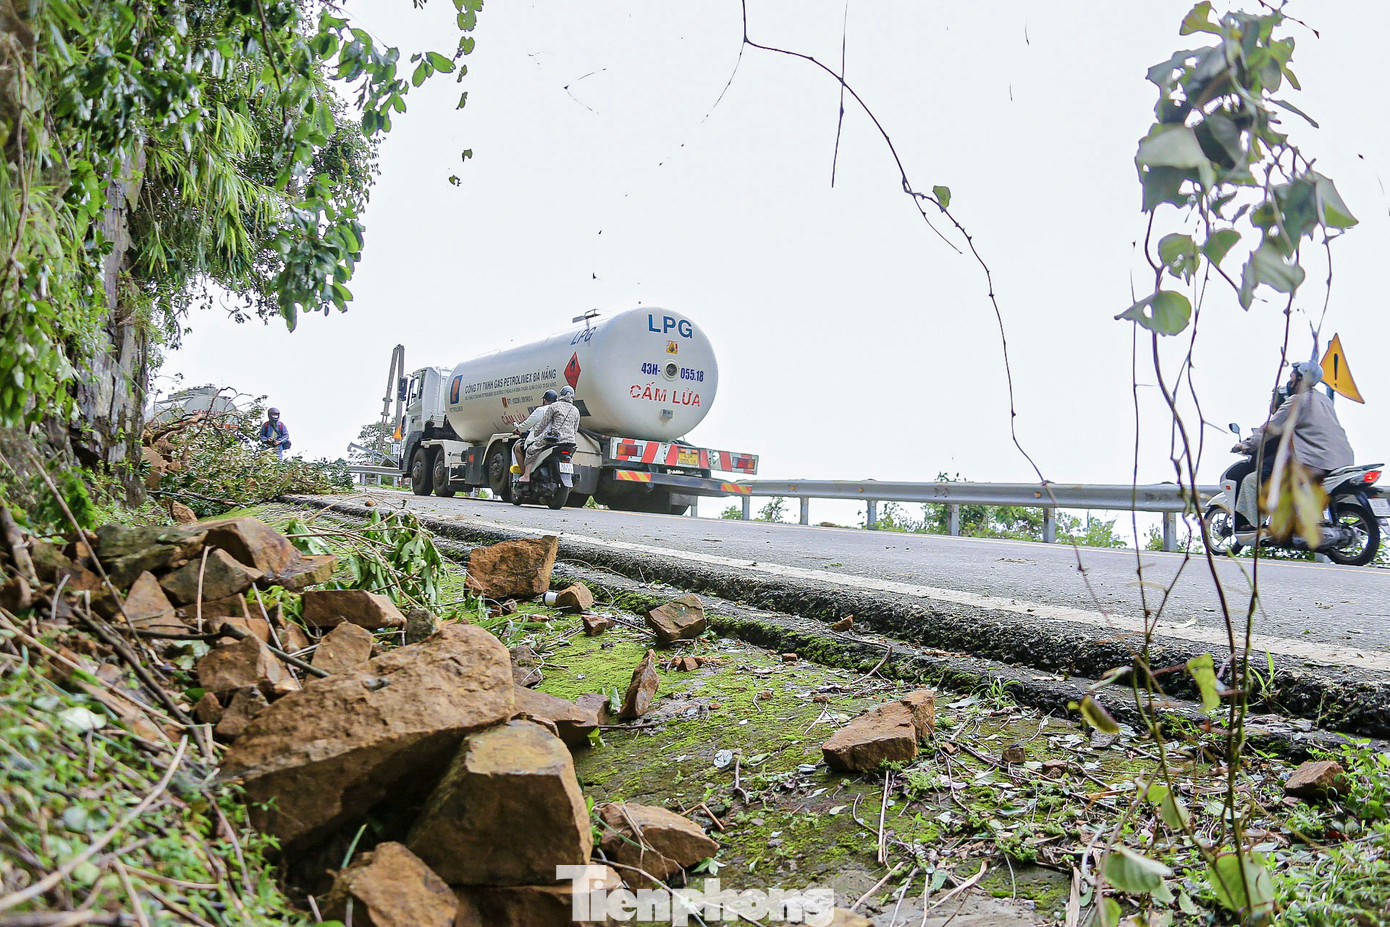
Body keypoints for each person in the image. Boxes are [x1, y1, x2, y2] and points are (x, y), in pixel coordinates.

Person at [1232, 360, 1353, 529]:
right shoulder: (1324, 400)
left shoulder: (1297, 401)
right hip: (1342, 460)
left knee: (1261, 478)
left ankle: (1266, 523)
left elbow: (1268, 429)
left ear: (1300, 378)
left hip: (1314, 460)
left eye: (1292, 376)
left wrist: (1246, 445)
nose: (1290, 381)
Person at [518, 386, 580, 483]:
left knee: (531, 450)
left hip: (555, 438)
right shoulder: (576, 410)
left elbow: (544, 423)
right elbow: (575, 429)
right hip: (570, 441)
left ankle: (526, 476)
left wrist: (537, 433)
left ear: (561, 395)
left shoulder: (554, 406)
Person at [511, 390, 558, 475]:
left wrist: (518, 429)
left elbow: (526, 425)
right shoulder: (558, 411)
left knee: (518, 448)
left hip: (540, 440)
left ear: (544, 400)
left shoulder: (541, 410)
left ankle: (525, 475)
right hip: (557, 440)